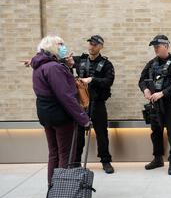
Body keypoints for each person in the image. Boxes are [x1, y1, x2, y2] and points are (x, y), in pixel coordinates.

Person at [30, 35, 91, 184]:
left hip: (46, 114)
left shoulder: (40, 65)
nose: (64, 47)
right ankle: (62, 189)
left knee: (54, 153)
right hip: (60, 115)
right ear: (51, 47)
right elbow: (66, 96)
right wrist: (84, 119)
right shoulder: (54, 67)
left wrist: (68, 67)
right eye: (60, 44)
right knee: (65, 154)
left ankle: (53, 188)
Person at [138, 35, 171, 175]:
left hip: (170, 104)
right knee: (156, 133)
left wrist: (163, 93)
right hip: (155, 105)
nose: (155, 50)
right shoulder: (152, 63)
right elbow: (142, 79)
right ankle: (158, 159)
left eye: (157, 47)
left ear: (166, 46)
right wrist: (145, 89)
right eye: (154, 47)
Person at [73, 35, 115, 174]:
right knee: (78, 133)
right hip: (81, 103)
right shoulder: (80, 60)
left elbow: (108, 81)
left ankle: (105, 161)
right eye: (90, 44)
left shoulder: (106, 64)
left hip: (98, 103)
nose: (91, 46)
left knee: (101, 133)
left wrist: (92, 79)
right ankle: (76, 162)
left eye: (95, 44)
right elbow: (60, 63)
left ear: (101, 46)